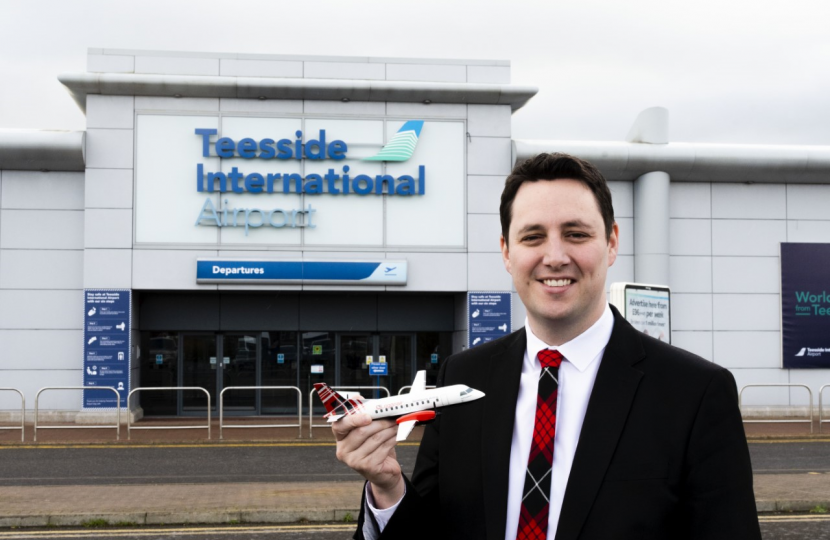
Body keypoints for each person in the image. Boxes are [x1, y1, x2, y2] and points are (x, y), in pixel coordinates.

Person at [333, 153, 761, 540]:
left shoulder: (696, 393)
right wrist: (388, 487)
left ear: (611, 242)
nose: (554, 256)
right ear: (506, 252)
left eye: (575, 234)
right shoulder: (463, 376)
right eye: (533, 237)